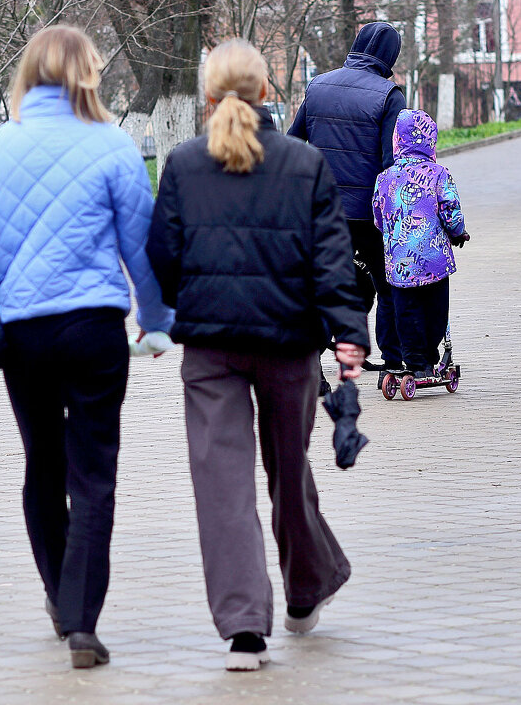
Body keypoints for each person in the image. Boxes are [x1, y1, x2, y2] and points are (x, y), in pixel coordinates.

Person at [0, 24, 173, 668]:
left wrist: (11, 275)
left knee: (42, 460)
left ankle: (55, 593)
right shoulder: (113, 145)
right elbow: (143, 245)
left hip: (21, 332)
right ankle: (82, 622)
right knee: (93, 471)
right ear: (88, 74)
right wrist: (155, 319)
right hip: (95, 329)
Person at [146, 39, 369, 672]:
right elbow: (333, 263)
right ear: (268, 93)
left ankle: (245, 630)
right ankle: (304, 593)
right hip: (288, 347)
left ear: (208, 98)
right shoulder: (304, 164)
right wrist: (349, 334)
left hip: (211, 351)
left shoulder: (185, 164)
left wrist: (166, 312)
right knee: (288, 472)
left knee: (222, 487)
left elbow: (162, 259)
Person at [288, 22, 407, 383]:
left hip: (321, 209)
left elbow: (293, 142)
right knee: (387, 284)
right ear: (390, 56)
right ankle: (394, 360)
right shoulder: (390, 94)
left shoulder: (318, 85)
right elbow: (392, 161)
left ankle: (313, 368)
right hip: (367, 214)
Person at [372, 109, 469, 377]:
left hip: (399, 262)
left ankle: (415, 362)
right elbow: (452, 211)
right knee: (436, 312)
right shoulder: (439, 174)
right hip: (434, 260)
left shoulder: (384, 178)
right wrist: (459, 232)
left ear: (397, 141)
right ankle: (430, 355)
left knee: (405, 312)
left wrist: (391, 233)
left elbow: (378, 217)